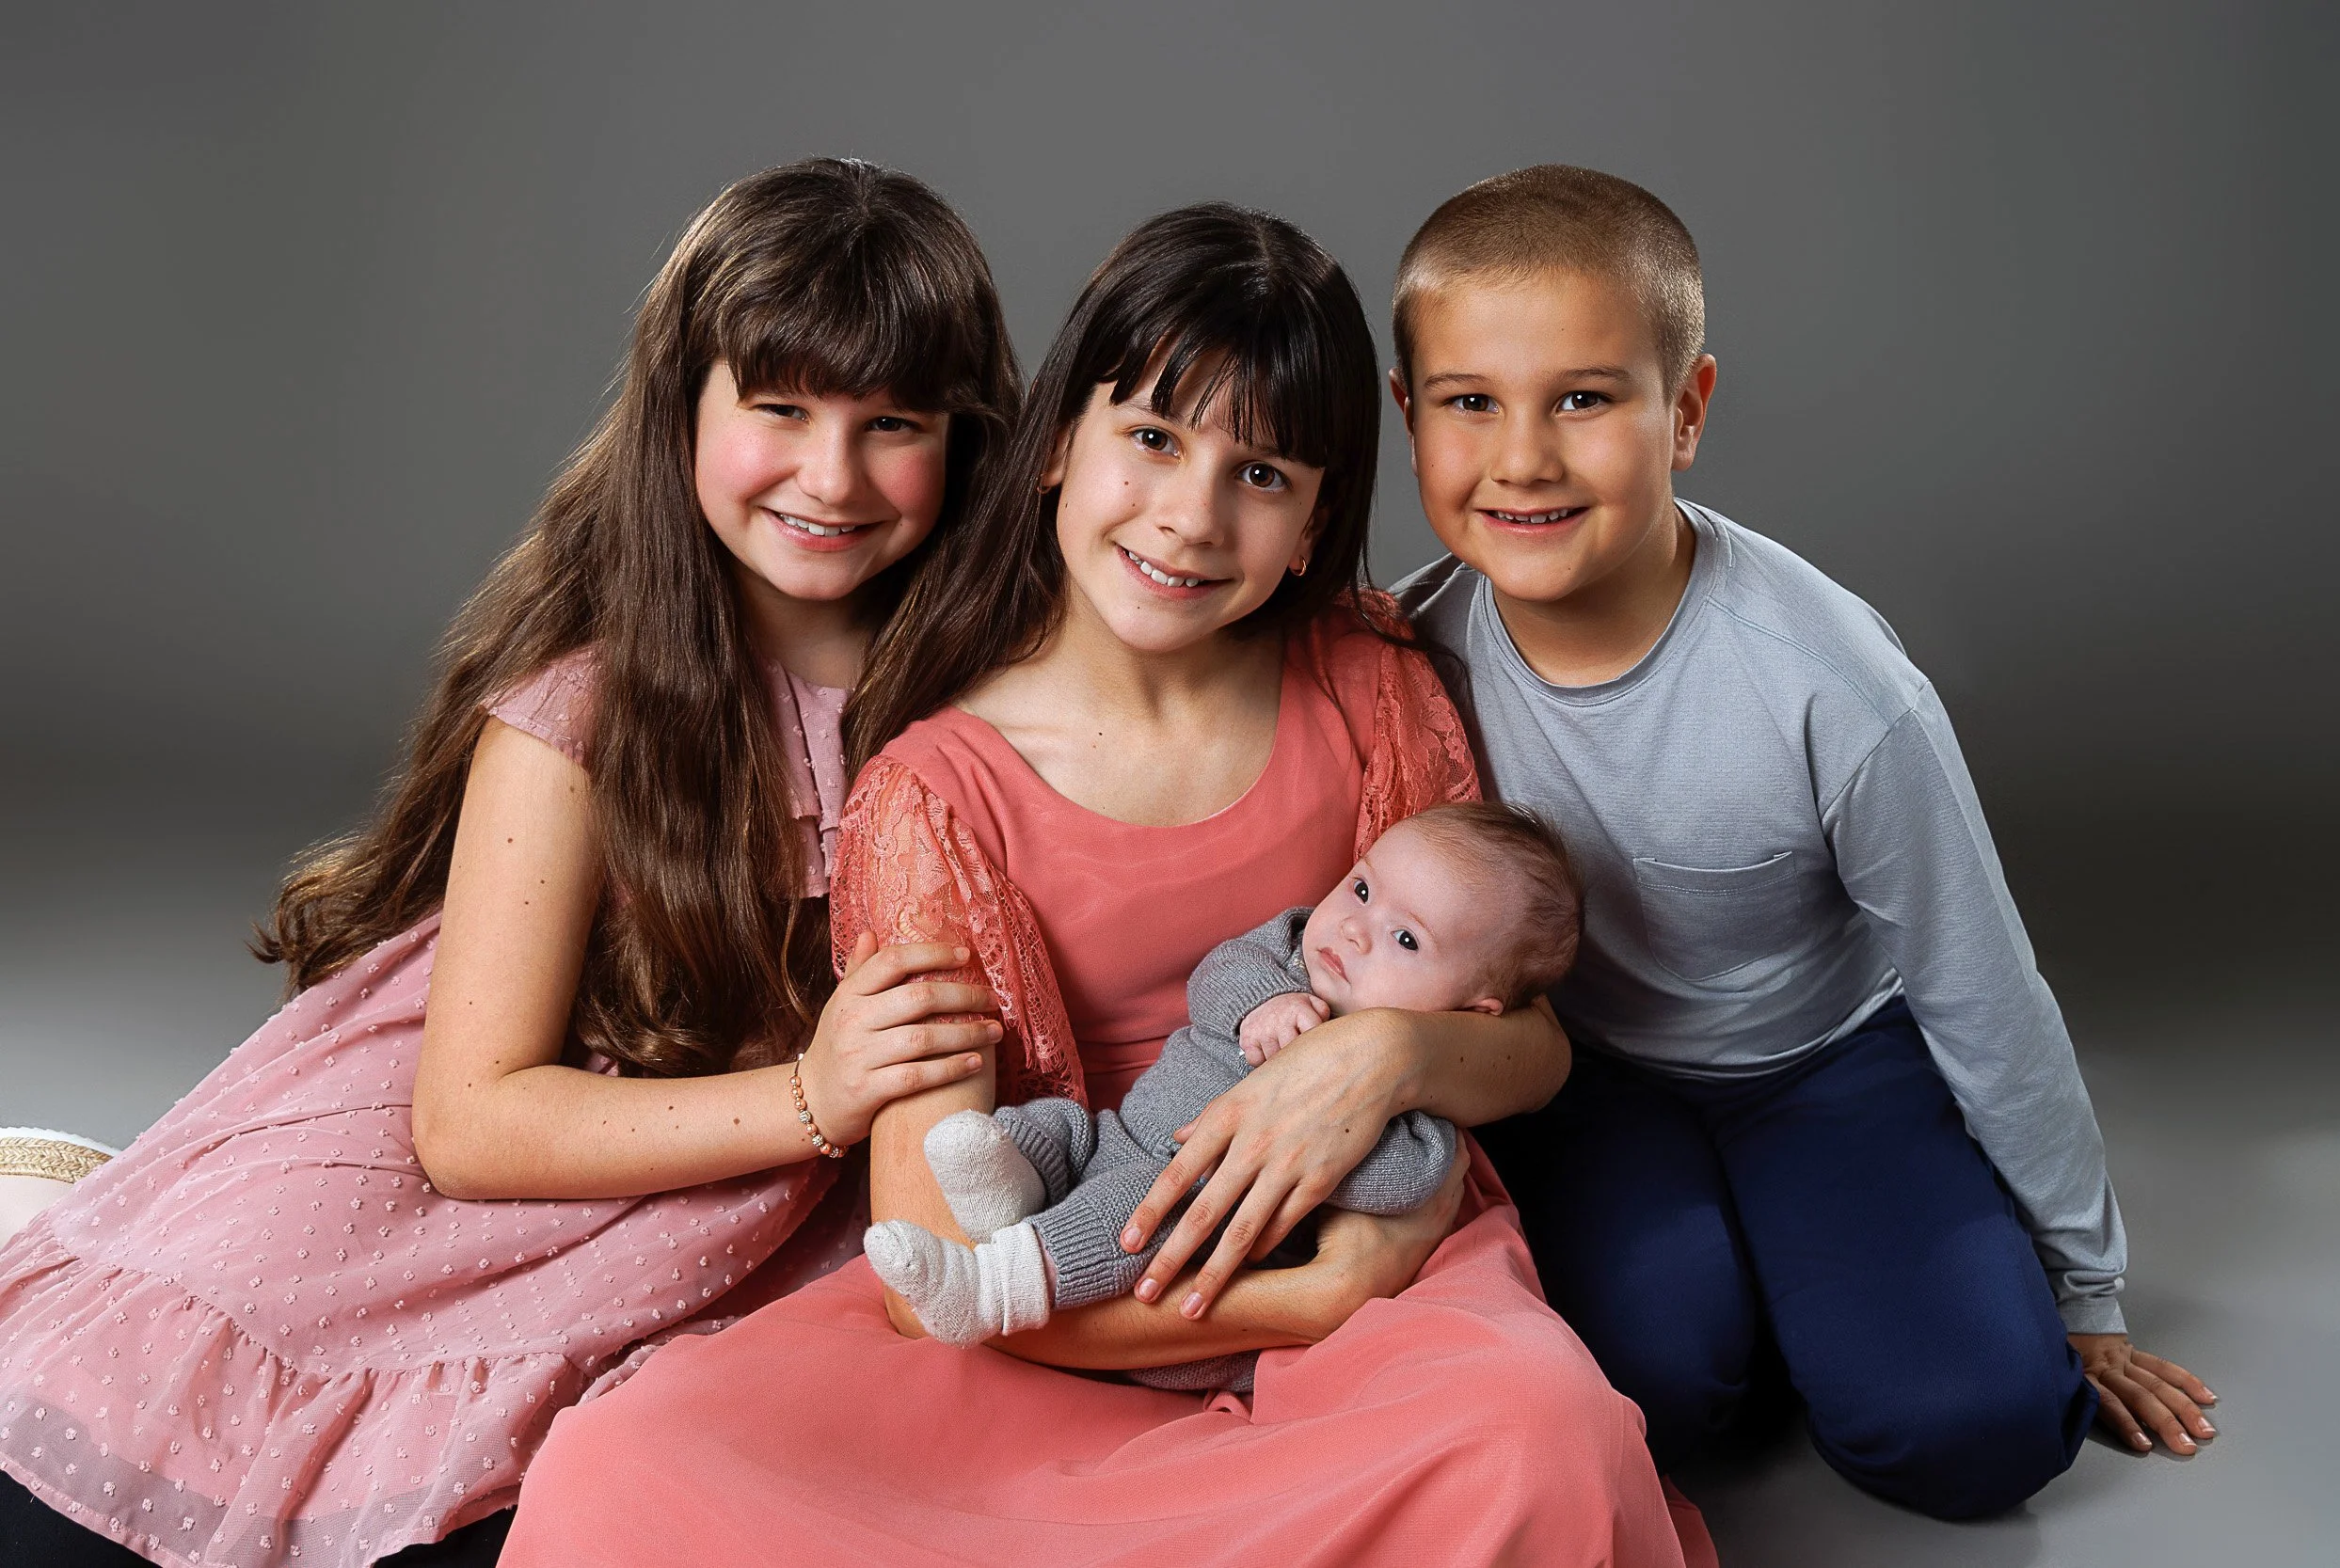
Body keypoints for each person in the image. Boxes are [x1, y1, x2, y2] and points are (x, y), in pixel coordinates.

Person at [503, 203, 1711, 1567]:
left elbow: (1530, 1042)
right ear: (1056, 444)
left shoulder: (1372, 689)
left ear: (1316, 518)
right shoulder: (936, 789)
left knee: (1537, 1430)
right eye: (1152, 438)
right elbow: (930, 1255)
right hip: (1063, 1292)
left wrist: (1382, 1063)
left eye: (1262, 474)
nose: (1191, 516)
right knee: (635, 1460)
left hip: (1380, 1267)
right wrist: (1299, 1303)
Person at [0, 158, 1019, 1568]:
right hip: (518, 1135)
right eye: (778, 409)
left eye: (891, 423)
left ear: (967, 440)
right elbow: (472, 1121)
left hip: (763, 1202)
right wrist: (813, 1094)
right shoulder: (582, 717)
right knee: (127, 1457)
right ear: (683, 413)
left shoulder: (1003, 682)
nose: (831, 476)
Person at [1390, 165, 2219, 1520]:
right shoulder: (1408, 650)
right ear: (1406, 415)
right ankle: (1757, 1289)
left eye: (1585, 398)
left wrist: (2085, 1287)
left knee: (1983, 1431)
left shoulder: (1831, 682)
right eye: (1469, 401)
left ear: (1689, 411)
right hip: (1586, 1080)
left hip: (1828, 1060)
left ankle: (1870, 1270)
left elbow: (1984, 985)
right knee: (1647, 1389)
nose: (1522, 457)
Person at [865, 800, 1583, 1386]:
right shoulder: (1290, 948)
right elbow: (1219, 971)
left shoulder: (1422, 1106)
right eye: (1362, 889)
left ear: (1470, 1012)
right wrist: (1261, 1005)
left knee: (1148, 1205)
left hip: (1190, 1238)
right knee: (1057, 1128)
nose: (1356, 930)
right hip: (1117, 1134)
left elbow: (1410, 1180)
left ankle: (994, 1284)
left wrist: (1356, 1115)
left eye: (1406, 940)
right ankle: (1006, 1189)